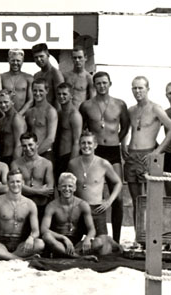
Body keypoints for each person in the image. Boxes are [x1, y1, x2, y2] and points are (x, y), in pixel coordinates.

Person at [78, 71, 129, 243]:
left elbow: (126, 126)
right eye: (98, 83)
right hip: (95, 152)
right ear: (94, 85)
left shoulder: (120, 104)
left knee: (118, 196)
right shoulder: (86, 106)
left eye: (104, 82)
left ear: (110, 83)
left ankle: (116, 238)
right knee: (91, 193)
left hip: (113, 151)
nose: (101, 86)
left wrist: (116, 141)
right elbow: (82, 129)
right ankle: (88, 233)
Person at [125, 76, 171, 226]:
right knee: (136, 201)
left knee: (150, 200)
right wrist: (123, 144)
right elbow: (128, 129)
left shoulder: (155, 108)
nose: (137, 91)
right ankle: (138, 238)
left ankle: (151, 236)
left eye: (140, 88)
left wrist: (157, 151)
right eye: (134, 88)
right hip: (131, 155)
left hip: (147, 154)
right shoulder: (131, 110)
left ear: (147, 89)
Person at [41, 173, 118, 258]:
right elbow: (44, 229)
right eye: (64, 186)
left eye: (70, 186)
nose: (67, 189)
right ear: (58, 187)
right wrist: (63, 238)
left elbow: (92, 229)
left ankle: (69, 254)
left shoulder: (82, 205)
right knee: (47, 236)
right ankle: (78, 257)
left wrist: (87, 239)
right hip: (59, 242)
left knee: (99, 242)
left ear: (75, 188)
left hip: (77, 245)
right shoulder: (52, 206)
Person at [67, 132, 122, 240]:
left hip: (96, 210)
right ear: (79, 145)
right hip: (79, 209)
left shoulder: (103, 163)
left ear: (95, 145)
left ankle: (113, 244)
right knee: (71, 245)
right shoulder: (72, 164)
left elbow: (118, 183)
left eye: (89, 143)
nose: (86, 146)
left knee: (101, 244)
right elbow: (67, 184)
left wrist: (109, 201)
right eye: (83, 143)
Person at [0, 169, 45, 260]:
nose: (15, 185)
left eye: (18, 181)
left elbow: (36, 230)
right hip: (1, 242)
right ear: (7, 183)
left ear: (22, 182)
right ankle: (20, 258)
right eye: (12, 182)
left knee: (40, 243)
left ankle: (2, 256)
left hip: (20, 243)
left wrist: (31, 238)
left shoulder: (30, 204)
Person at [10, 132, 54, 222]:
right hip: (22, 207)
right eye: (24, 146)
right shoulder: (16, 164)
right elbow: (17, 187)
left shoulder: (47, 164)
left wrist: (27, 189)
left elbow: (50, 189)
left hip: (41, 206)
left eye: (30, 145)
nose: (28, 148)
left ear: (37, 144)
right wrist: (40, 191)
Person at [24, 79, 57, 162]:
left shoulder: (50, 111)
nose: (37, 93)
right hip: (30, 152)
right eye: (35, 90)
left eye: (41, 90)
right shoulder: (30, 112)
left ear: (47, 91)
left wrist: (35, 154)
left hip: (45, 153)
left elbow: (50, 139)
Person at [55, 82, 82, 183]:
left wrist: (71, 164)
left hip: (68, 156)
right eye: (59, 94)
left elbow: (77, 141)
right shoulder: (59, 113)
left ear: (71, 95)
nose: (61, 96)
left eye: (64, 94)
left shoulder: (74, 115)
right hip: (58, 157)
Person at [0, 89, 26, 164]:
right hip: (1, 158)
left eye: (6, 102)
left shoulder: (17, 119)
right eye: (0, 102)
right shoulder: (2, 119)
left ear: (12, 102)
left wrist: (14, 165)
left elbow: (19, 145)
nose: (3, 105)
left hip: (11, 158)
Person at [0, 49, 34, 115]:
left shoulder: (28, 78)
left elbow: (31, 100)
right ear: (8, 60)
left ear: (22, 61)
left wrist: (19, 115)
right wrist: (4, 115)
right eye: (13, 60)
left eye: (18, 61)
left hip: (23, 116)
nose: (15, 63)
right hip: (4, 116)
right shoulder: (1, 77)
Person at [31, 43, 65, 108]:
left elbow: (60, 99)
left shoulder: (56, 74)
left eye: (41, 56)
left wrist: (55, 116)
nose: (39, 59)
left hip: (51, 113)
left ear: (47, 55)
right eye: (36, 57)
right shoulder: (36, 75)